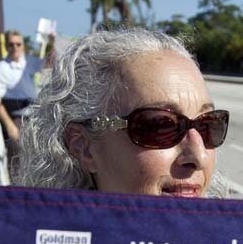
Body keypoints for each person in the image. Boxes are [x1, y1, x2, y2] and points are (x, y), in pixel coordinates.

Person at [19, 27, 230, 198]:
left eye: (207, 125)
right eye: (162, 125)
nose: (199, 156)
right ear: (83, 147)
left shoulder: (237, 238)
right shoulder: (29, 239)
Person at [0, 30, 46, 127]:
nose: (15, 47)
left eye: (18, 44)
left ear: (23, 46)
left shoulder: (29, 61)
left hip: (34, 114)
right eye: (11, 44)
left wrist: (53, 43)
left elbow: (50, 63)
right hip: (15, 117)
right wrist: (10, 125)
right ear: (6, 46)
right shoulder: (1, 67)